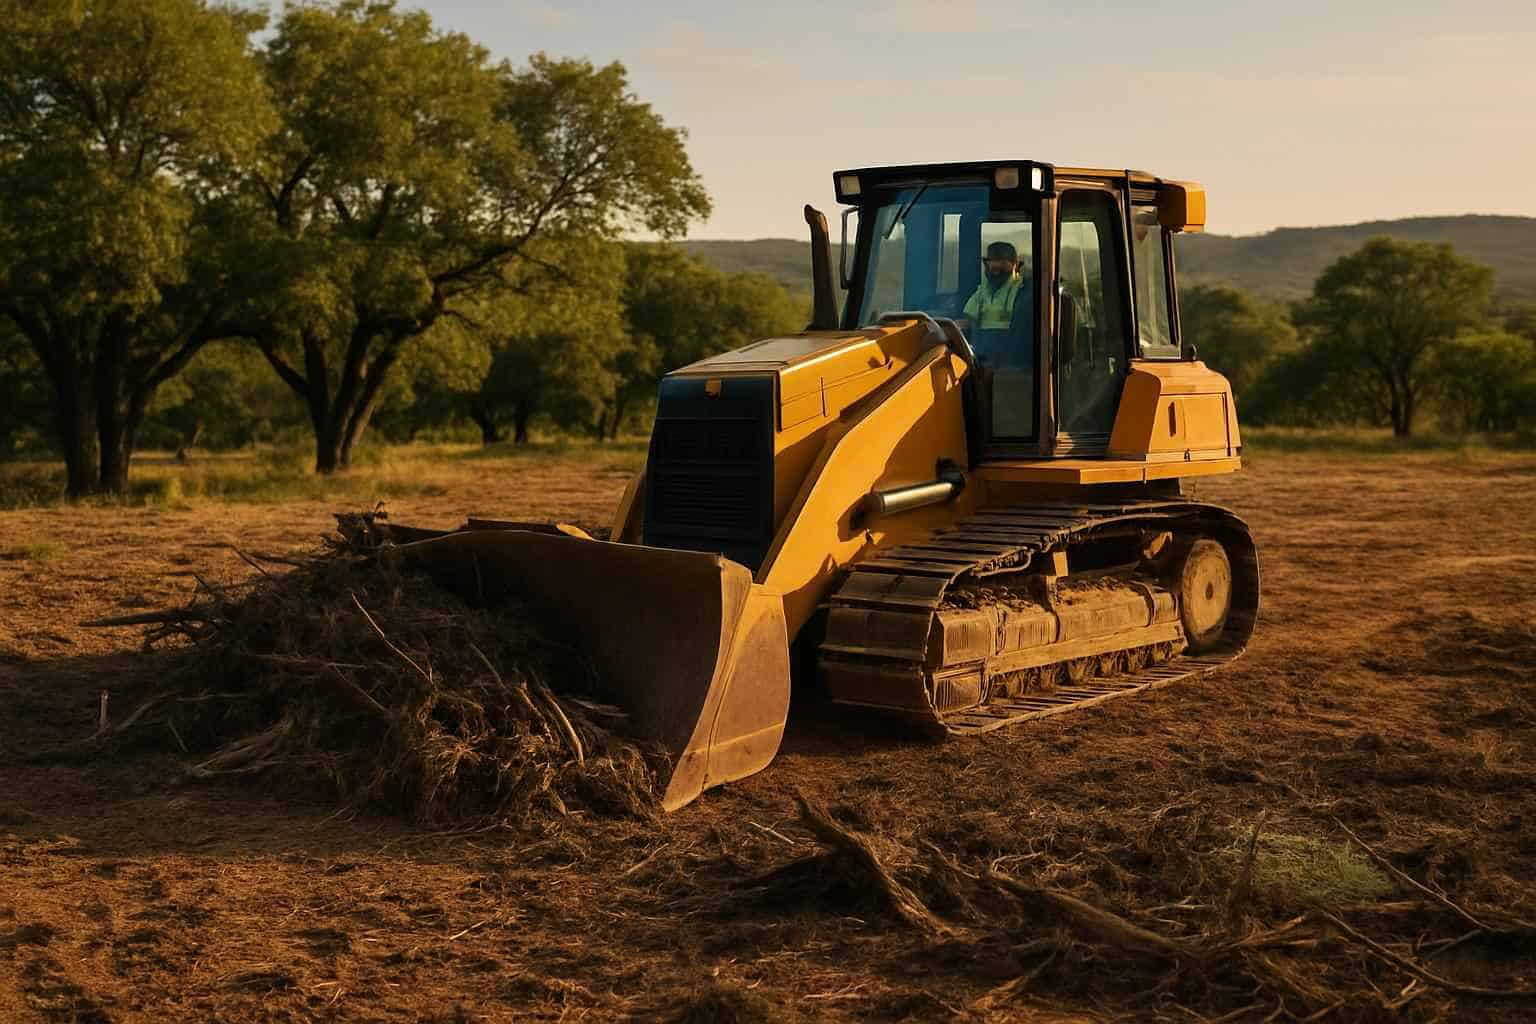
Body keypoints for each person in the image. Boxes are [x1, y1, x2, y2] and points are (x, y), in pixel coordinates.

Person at [961, 240, 1031, 367]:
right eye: (992, 264)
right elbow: (967, 321)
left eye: (1002, 264)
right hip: (982, 357)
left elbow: (1023, 331)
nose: (996, 269)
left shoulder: (1025, 291)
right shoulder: (982, 291)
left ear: (1015, 265)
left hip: (1012, 360)